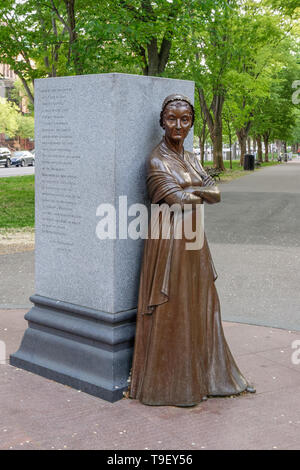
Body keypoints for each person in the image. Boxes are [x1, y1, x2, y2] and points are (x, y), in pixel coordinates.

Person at [129, 93, 255, 406]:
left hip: (194, 237)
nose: (178, 125)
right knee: (173, 305)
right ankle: (171, 383)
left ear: (191, 123)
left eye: (185, 119)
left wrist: (191, 189)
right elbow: (177, 201)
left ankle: (207, 374)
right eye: (172, 118)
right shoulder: (156, 160)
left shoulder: (190, 157)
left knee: (204, 302)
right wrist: (195, 190)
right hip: (168, 239)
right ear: (162, 121)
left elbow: (215, 192)